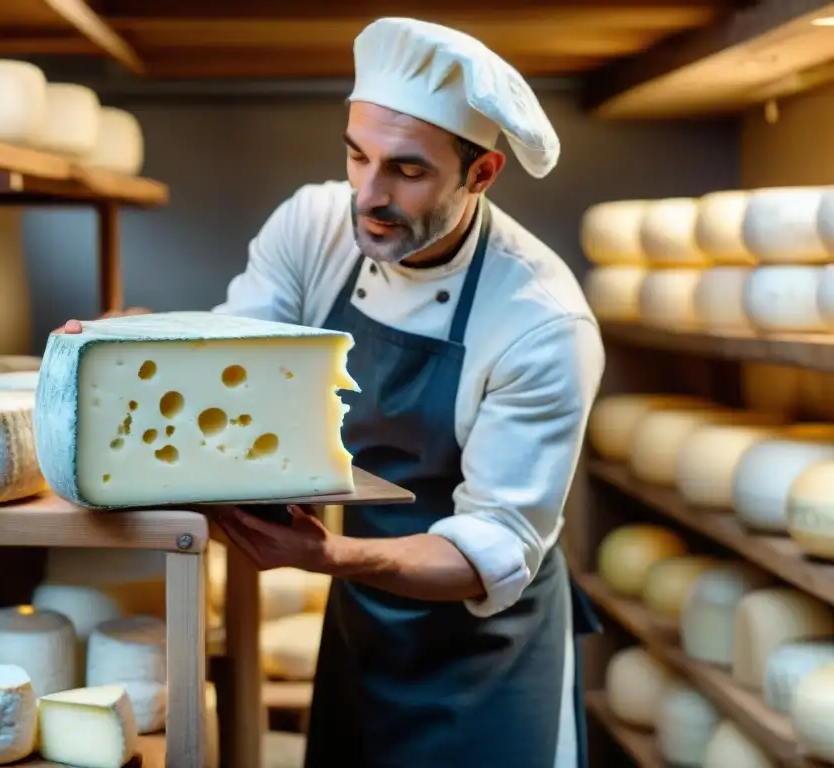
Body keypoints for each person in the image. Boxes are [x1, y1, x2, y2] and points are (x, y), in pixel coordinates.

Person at [60, 16, 605, 767]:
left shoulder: (540, 321)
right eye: (357, 156)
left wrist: (331, 558)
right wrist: (133, 348)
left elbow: (494, 547)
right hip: (364, 617)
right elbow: (236, 366)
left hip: (488, 645)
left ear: (480, 175)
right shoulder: (313, 225)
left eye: (407, 171)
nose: (369, 195)